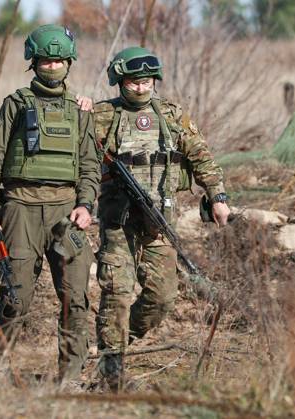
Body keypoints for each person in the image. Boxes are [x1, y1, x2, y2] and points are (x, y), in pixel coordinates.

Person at [93, 46, 231, 389]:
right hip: (118, 222)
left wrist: (218, 197)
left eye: (147, 81)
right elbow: (73, 159)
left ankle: (119, 342)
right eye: (133, 82)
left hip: (158, 221)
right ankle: (112, 371)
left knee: (163, 296)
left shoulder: (172, 116)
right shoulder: (100, 116)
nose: (141, 88)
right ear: (119, 81)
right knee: (116, 292)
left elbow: (202, 157)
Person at [0, 24, 100, 384]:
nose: (53, 66)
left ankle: (70, 380)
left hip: (66, 213)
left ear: (69, 62)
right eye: (46, 59)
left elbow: (90, 165)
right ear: (34, 61)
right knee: (15, 298)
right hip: (19, 209)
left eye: (60, 60)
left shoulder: (81, 110)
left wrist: (86, 204)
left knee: (75, 299)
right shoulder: (15, 105)